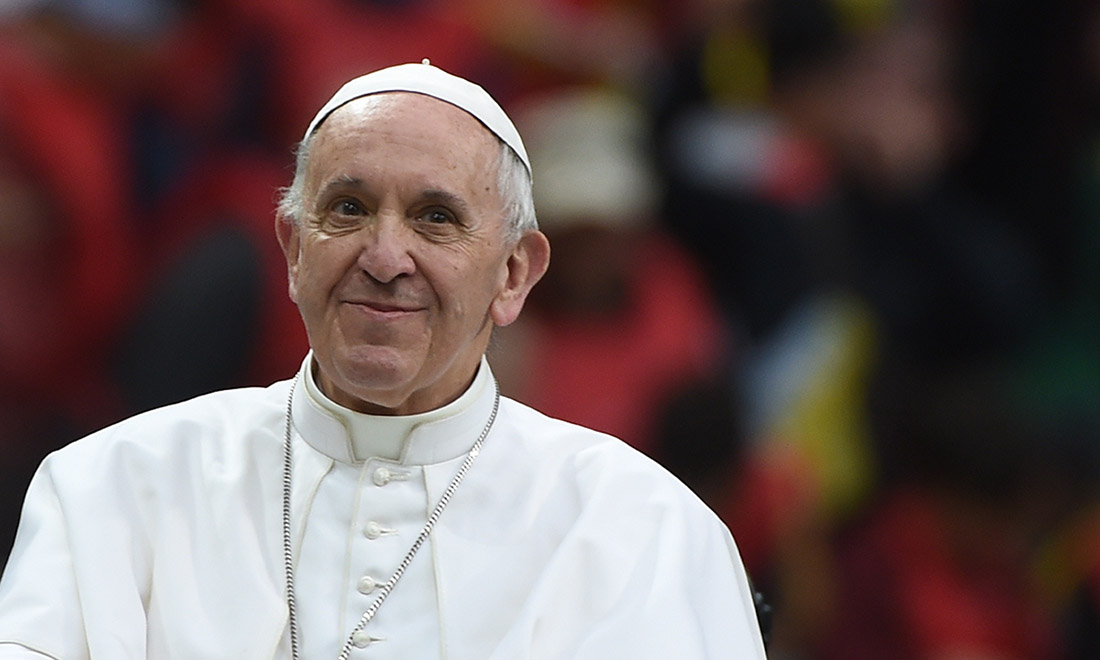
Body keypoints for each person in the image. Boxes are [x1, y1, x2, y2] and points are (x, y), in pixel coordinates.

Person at [0, 61, 768, 659]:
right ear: (295, 252)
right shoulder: (111, 490)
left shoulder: (645, 530)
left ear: (514, 275)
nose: (385, 255)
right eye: (349, 209)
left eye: (435, 218)